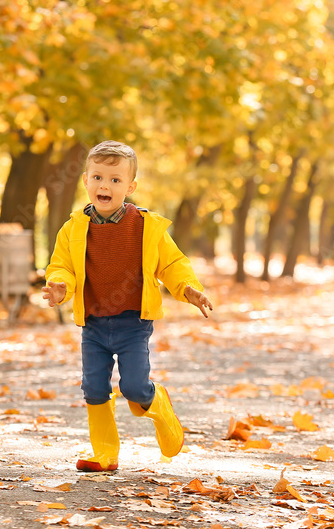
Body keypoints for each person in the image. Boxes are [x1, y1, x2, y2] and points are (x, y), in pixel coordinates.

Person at [43, 140, 214, 472]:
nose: (105, 185)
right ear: (86, 181)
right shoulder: (73, 228)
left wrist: (188, 288)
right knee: (93, 386)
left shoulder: (146, 227)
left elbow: (172, 263)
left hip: (133, 323)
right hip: (93, 323)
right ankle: (105, 452)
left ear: (130, 186)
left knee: (134, 387)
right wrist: (60, 287)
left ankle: (158, 404)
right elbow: (61, 265)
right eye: (98, 177)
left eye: (115, 179)